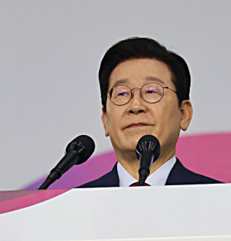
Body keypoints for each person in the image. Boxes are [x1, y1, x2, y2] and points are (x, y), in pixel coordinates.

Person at [81, 37, 220, 188]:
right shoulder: (73, 205)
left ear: (184, 114)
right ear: (105, 119)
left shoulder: (220, 200)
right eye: (122, 93)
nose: (135, 106)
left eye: (151, 91)